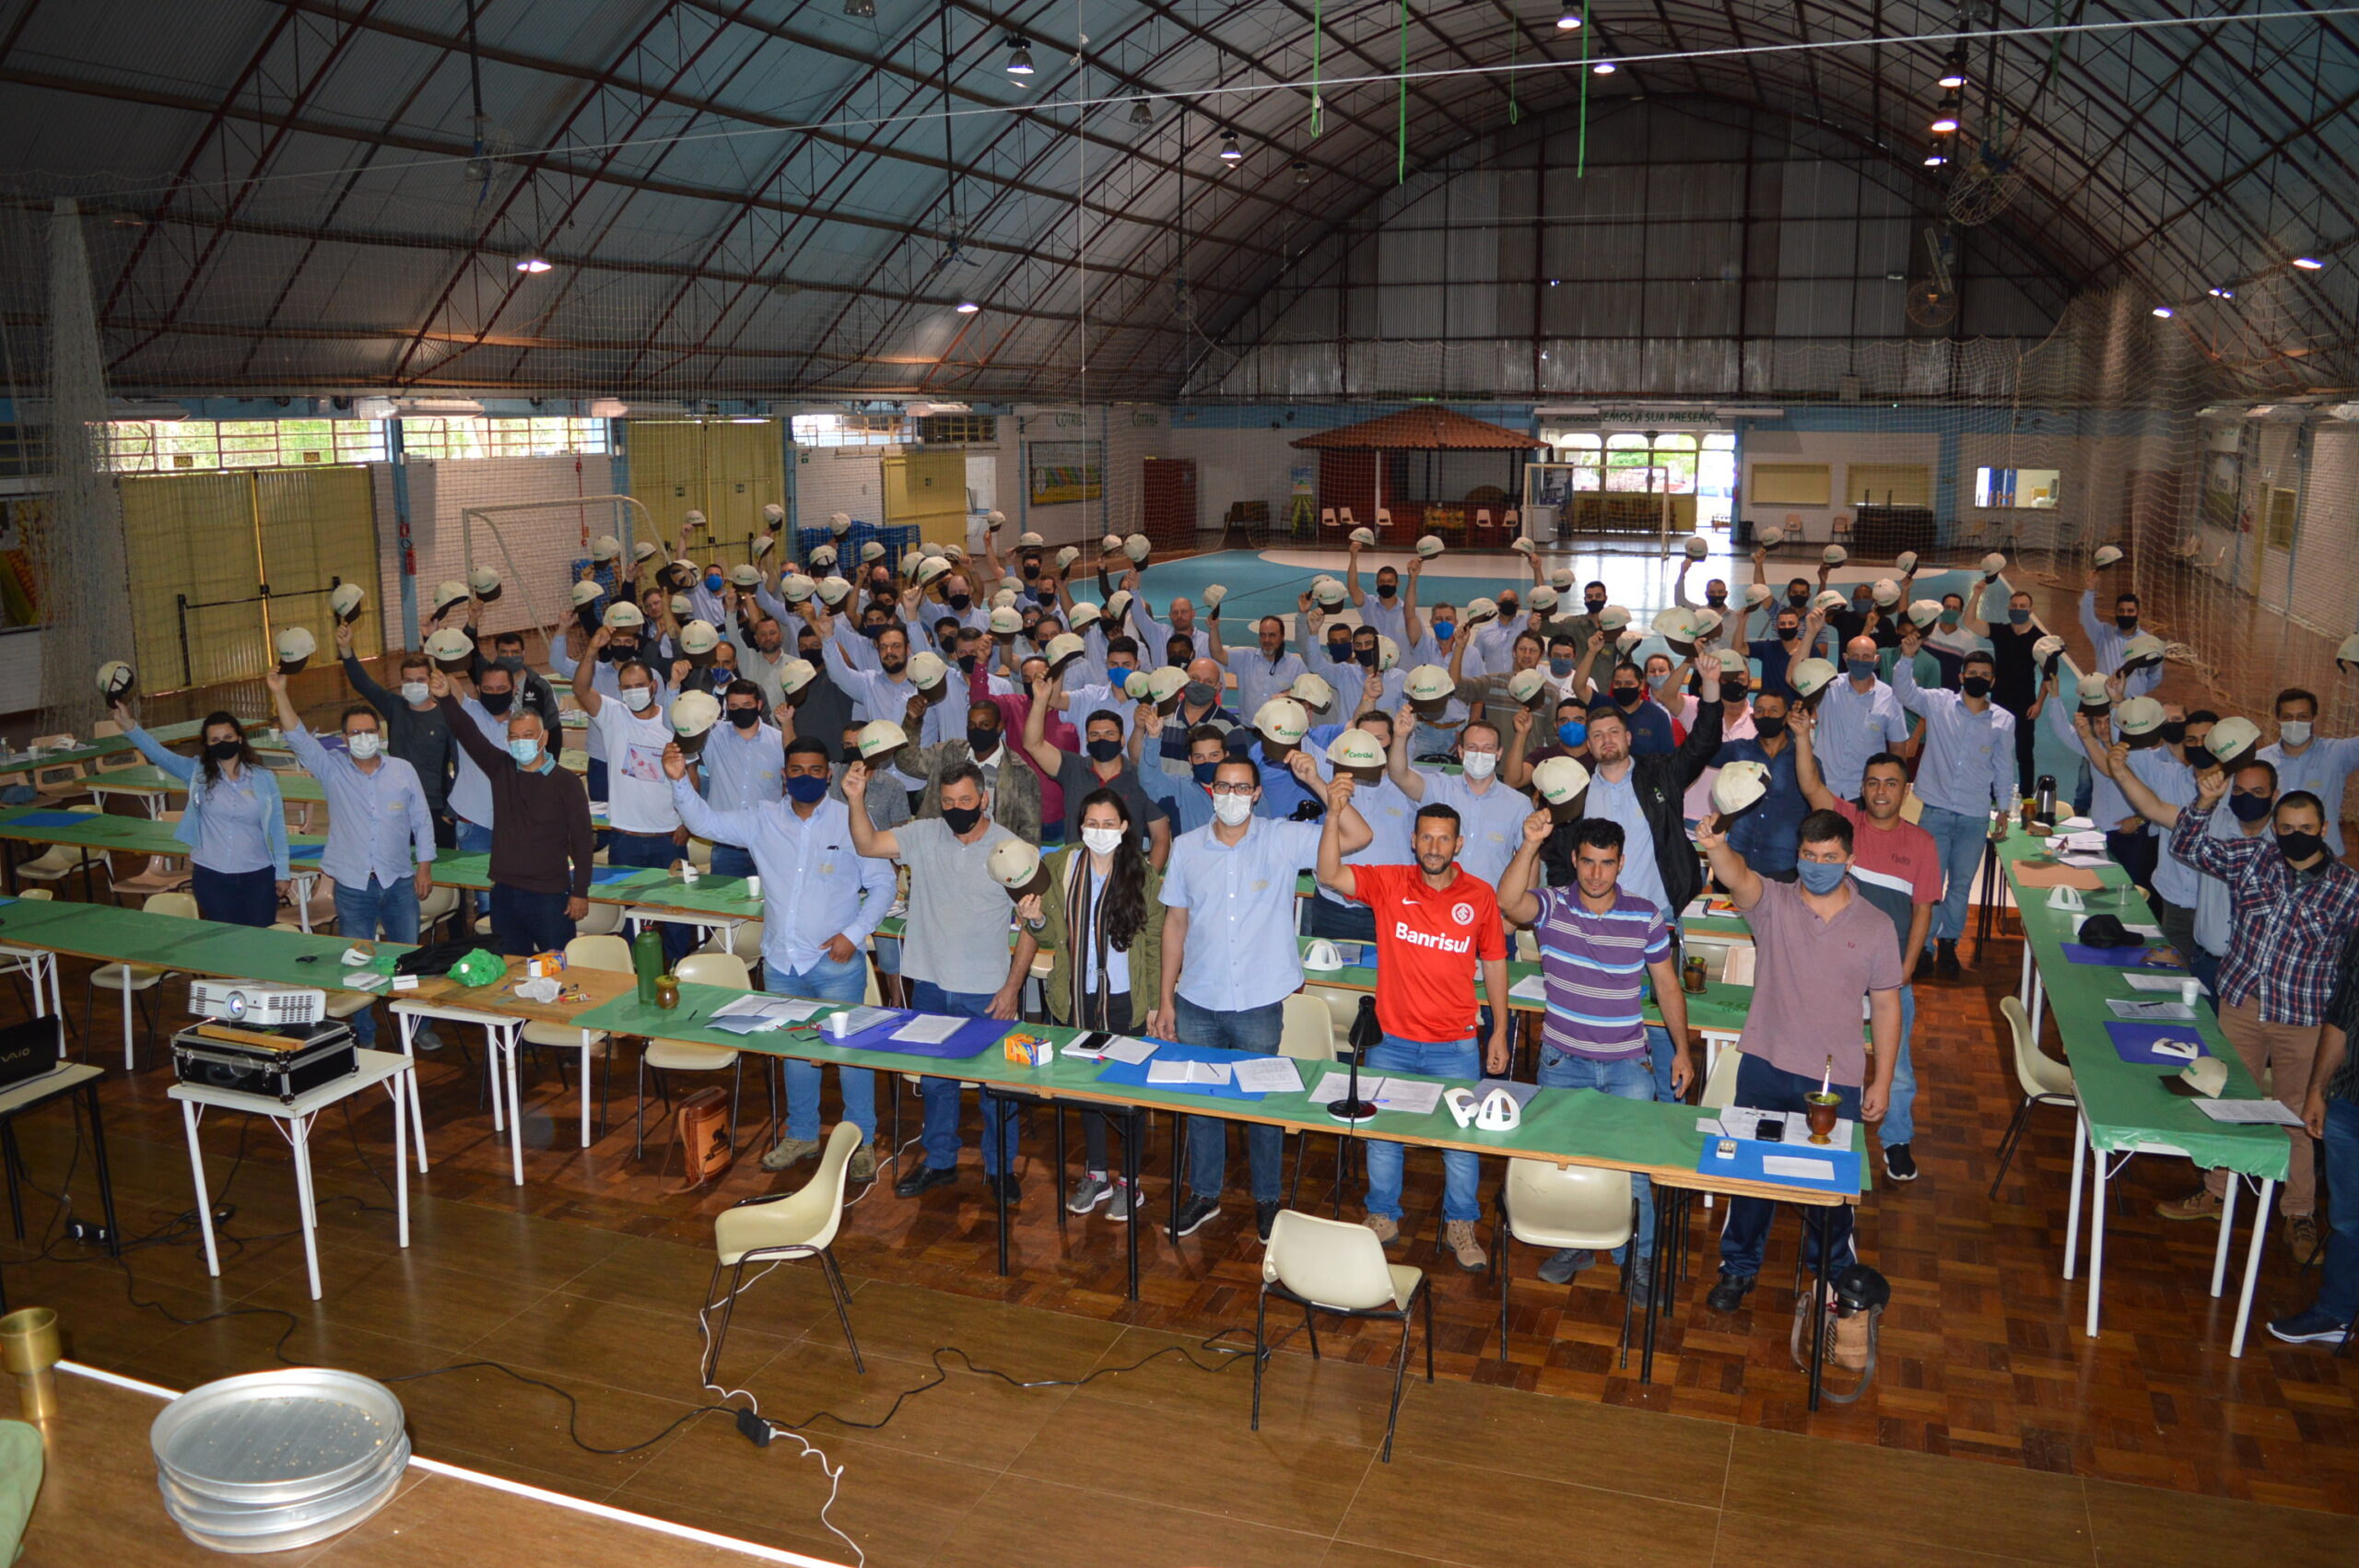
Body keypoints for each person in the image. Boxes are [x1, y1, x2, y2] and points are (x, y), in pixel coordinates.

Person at [1696, 807, 1902, 1368]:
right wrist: (1715, 845)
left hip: (1835, 1083)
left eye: (1829, 857)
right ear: (1797, 857)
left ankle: (1834, 1284)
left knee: (1831, 1193)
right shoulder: (1774, 904)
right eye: (1809, 857)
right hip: (1764, 1063)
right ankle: (1738, 1270)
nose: (1817, 866)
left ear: (1849, 860)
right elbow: (1738, 875)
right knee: (1749, 1177)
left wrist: (1883, 1078)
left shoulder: (1877, 926)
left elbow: (1887, 1007)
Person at [665, 735, 894, 1184]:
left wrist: (853, 935)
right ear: (785, 776)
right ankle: (803, 1134)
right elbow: (704, 821)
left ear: (828, 775)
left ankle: (863, 1139)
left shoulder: (850, 820)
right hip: (782, 964)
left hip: (835, 962)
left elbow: (883, 884)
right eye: (797, 770)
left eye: (815, 771)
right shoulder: (761, 819)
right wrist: (678, 781)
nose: (806, 777)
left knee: (852, 1054)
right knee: (794, 1051)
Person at [1160, 755, 1369, 1240]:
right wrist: (1166, 997)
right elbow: (1175, 924)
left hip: (1259, 1001)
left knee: (1263, 1103)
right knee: (1202, 1102)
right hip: (1197, 997)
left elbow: (1358, 837)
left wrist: (1315, 780)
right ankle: (1205, 1194)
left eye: (1242, 788)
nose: (1231, 796)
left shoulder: (1281, 838)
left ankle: (1267, 1200)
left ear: (1256, 794)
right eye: (1223, 787)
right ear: (1211, 790)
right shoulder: (1187, 847)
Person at [2157, 771, 2359, 1257]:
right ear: (2275, 829)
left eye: (2305, 828)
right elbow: (2186, 847)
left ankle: (2299, 1214)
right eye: (2286, 828)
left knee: (2297, 1117)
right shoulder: (2253, 858)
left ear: (2323, 828)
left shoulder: (2349, 889)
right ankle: (2217, 1191)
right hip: (2242, 1005)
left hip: (2304, 1019)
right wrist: (2204, 803)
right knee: (2228, 1103)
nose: (2295, 836)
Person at [1496, 811, 1692, 1296]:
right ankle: (1576, 1244)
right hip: (1563, 1063)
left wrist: (1682, 1051)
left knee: (1632, 1171)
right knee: (1564, 1162)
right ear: (1574, 860)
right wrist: (1529, 844)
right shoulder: (1551, 905)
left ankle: (1638, 1260)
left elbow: (1668, 987)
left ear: (1621, 863)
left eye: (1606, 863)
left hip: (1628, 1066)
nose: (1597, 873)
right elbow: (1508, 902)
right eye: (1588, 862)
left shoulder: (1645, 915)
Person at [1316, 785, 1503, 1271]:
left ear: (1458, 844)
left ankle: (1461, 1222)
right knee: (1383, 1134)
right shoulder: (1389, 882)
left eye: (1444, 839)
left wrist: (1500, 1030)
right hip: (1392, 1041)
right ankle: (1383, 1215)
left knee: (1460, 1141)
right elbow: (1330, 874)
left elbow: (1495, 962)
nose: (1434, 848)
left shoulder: (1480, 895)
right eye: (1426, 838)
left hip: (1456, 1043)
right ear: (1413, 841)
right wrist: (1333, 815)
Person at [843, 757, 1036, 1202]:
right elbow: (868, 844)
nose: (956, 809)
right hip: (929, 983)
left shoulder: (1010, 849)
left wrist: (1012, 988)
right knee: (935, 1082)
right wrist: (855, 799)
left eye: (965, 800)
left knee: (998, 1085)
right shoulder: (924, 834)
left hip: (988, 990)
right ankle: (940, 1161)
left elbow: (1031, 925)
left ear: (984, 800)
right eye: (948, 802)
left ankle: (1000, 1168)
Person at [1538, 651, 1728, 1098]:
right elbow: (1560, 856)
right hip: (1593, 923)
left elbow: (1703, 743)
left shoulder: (1660, 772)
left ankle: (1666, 1105)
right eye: (1596, 735)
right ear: (1588, 745)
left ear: (1627, 736)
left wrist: (1710, 685)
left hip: (1658, 917)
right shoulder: (1574, 790)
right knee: (1602, 1013)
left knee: (1662, 1016)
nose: (1606, 741)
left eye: (1613, 732)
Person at [1009, 789, 1167, 1221]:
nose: (1099, 831)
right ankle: (1096, 1173)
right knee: (1085, 1087)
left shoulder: (1143, 874)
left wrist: (1156, 1003)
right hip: (1076, 996)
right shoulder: (1061, 864)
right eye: (1091, 824)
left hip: (1126, 999)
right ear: (1080, 826)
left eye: (1108, 824)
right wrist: (1036, 920)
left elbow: (1154, 943)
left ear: (1124, 827)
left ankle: (1129, 1181)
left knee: (1127, 1092)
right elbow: (1051, 935)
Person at [1794, 720, 1942, 1182]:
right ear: (1862, 788)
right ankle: (1821, 1132)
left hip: (1888, 978)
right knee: (1821, 1056)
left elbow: (1922, 911)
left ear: (1905, 791)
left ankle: (1896, 1141)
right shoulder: (1846, 827)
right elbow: (1810, 785)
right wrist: (1803, 738)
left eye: (1891, 783)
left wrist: (1907, 967)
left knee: (1895, 1067)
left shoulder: (1922, 843)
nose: (1881, 791)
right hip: (1834, 974)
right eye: (1873, 782)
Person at [264, 674, 434, 1048]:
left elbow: (422, 821)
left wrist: (424, 866)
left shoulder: (402, 770)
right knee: (357, 963)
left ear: (380, 734)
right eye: (355, 733)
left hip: (400, 882)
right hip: (353, 887)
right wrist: (280, 693)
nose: (363, 738)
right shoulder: (332, 769)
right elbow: (297, 736)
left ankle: (417, 1028)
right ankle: (364, 1032)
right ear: (344, 739)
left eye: (369, 731)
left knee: (408, 959)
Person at [430, 672, 593, 954]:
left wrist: (580, 892)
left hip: (550, 896)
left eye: (528, 735)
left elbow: (582, 841)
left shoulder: (566, 782)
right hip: (504, 893)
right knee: (509, 966)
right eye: (514, 737)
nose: (521, 742)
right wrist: (446, 699)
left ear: (544, 737)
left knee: (558, 967)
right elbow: (468, 733)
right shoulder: (501, 769)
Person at [2105, 749, 2277, 1000]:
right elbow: (2153, 808)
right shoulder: (2211, 822)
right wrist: (2121, 773)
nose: (2247, 798)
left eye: (2257, 792)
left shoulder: (2283, 841)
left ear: (2274, 795)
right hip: (2205, 962)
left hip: (2256, 973)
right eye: (2239, 791)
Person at [1889, 633, 2013, 978]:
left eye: (1984, 675)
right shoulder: (1938, 703)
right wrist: (1907, 658)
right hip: (1936, 813)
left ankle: (1948, 945)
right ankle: (1924, 948)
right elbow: (1904, 692)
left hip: (1975, 816)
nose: (1978, 679)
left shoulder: (2003, 721)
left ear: (1992, 681)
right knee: (1928, 886)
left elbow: (2004, 767)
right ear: (1961, 676)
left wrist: (2004, 809)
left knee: (1960, 886)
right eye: (1972, 673)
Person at [572, 636, 693, 960]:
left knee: (677, 915)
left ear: (653, 686)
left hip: (669, 836)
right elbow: (581, 689)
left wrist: (688, 822)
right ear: (620, 691)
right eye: (627, 687)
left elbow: (691, 775)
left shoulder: (673, 720)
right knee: (631, 916)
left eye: (639, 685)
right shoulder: (612, 715)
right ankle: (635, 972)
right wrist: (591, 650)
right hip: (626, 838)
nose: (633, 692)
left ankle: (679, 970)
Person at [114, 701, 288, 926]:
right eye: (215, 740)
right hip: (212, 876)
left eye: (228, 737)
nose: (222, 743)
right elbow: (160, 755)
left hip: (259, 875)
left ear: (240, 738)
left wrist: (283, 873)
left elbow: (277, 829)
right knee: (224, 938)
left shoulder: (264, 778)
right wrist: (130, 727)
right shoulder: (197, 773)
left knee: (260, 937)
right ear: (207, 745)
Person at [2268, 927, 2359, 1344]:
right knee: (2347, 1219)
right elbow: (2341, 1018)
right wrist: (2317, 1090)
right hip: (2349, 1100)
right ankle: (2336, 1312)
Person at [1020, 673, 1172, 865]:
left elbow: (1161, 836)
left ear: (1122, 740)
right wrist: (1040, 701)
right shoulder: (1071, 767)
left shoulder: (1140, 778)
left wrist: (1148, 880)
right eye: (1095, 735)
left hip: (1127, 874)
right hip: (1078, 871)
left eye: (1109, 734)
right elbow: (1033, 744)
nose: (1102, 739)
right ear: (1087, 740)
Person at [1386, 717, 1533, 896]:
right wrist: (1400, 737)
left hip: (1489, 905)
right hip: (1435, 901)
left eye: (1488, 748)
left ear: (1499, 753)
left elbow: (1529, 860)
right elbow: (1399, 775)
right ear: (1461, 752)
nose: (1480, 754)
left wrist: (1519, 909)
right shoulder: (1439, 787)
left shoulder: (1519, 804)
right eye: (1472, 747)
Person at [336, 626, 457, 846]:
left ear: (430, 681)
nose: (414, 685)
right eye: (408, 680)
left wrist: (451, 809)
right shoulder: (395, 707)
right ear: (401, 683)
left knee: (438, 863)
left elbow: (459, 764)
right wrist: (346, 650)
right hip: (396, 805)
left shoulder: (446, 716)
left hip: (435, 808)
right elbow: (363, 683)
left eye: (420, 679)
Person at [693, 680, 784, 879]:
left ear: (759, 705)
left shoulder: (779, 740)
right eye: (734, 706)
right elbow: (680, 727)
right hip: (726, 843)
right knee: (723, 898)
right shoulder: (713, 735)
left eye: (747, 705)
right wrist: (674, 688)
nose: (740, 711)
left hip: (766, 843)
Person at [1709, 687, 1803, 880]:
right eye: (1759, 710)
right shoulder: (1739, 750)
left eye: (1774, 710)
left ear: (1786, 717)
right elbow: (1702, 752)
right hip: (1737, 861)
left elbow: (1816, 808)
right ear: (1753, 718)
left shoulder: (1803, 761)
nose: (1766, 715)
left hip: (1782, 865)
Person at [2258, 686, 2359, 856]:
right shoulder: (2260, 761)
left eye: (2302, 717)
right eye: (2287, 717)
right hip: (2274, 855)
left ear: (2314, 718)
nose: (2294, 722)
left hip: (2324, 856)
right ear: (2278, 719)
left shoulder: (2337, 753)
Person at [1813, 636, 1911, 801]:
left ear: (1876, 659)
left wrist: (1896, 787)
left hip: (1865, 791)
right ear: (1845, 658)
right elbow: (1795, 681)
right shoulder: (1828, 687)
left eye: (1866, 656)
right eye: (1855, 656)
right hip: (1824, 785)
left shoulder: (1890, 697)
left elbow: (1898, 748)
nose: (1860, 661)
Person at [1985, 585, 2048, 796]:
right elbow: (1970, 622)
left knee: (2024, 752)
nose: (2018, 609)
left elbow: (2048, 676)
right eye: (2014, 605)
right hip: (1999, 701)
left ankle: (2027, 796)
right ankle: (1991, 793)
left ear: (2031, 609)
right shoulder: (2001, 632)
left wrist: (2039, 703)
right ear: (2008, 608)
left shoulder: (2040, 640)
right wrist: (1977, 593)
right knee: (1994, 748)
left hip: (2025, 703)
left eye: (2022, 606)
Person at [2079, 567, 2161, 697]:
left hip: (2133, 702)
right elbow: (2086, 617)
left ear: (2138, 613)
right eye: (2121, 611)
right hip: (2104, 699)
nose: (2125, 614)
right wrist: (2090, 590)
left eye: (2130, 611)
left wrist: (2138, 690)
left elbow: (2155, 675)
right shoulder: (2103, 634)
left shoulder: (2147, 642)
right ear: (2115, 612)